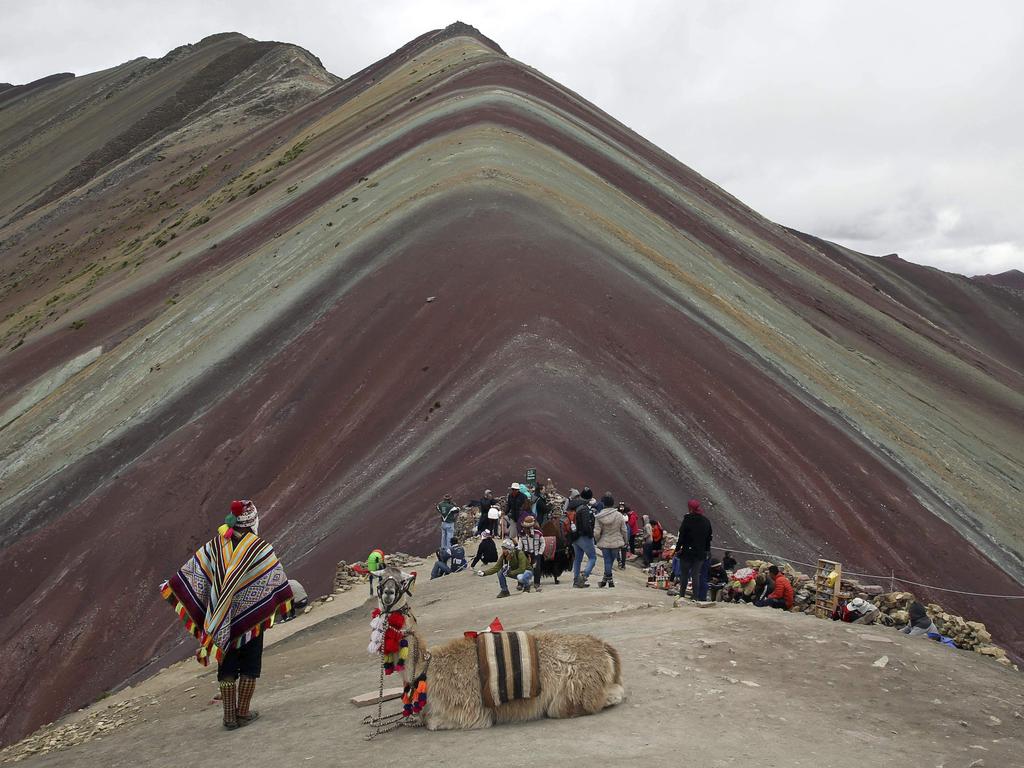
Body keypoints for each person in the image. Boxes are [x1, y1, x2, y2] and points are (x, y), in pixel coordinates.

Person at [160, 499, 293, 729]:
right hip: (252, 620)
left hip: (223, 621)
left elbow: (196, 571)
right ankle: (243, 712)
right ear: (252, 522)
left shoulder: (215, 546)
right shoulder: (261, 549)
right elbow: (275, 578)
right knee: (251, 665)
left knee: (227, 666)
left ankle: (229, 717)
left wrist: (173, 585)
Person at [676, 499, 712, 600]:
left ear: (690, 507)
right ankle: (695, 597)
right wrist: (706, 551)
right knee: (695, 575)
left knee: (684, 574)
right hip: (700, 553)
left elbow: (681, 536)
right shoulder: (706, 521)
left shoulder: (687, 519)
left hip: (687, 552)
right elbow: (708, 538)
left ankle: (682, 595)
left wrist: (678, 548)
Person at [594, 496, 629, 588]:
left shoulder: (599, 516)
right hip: (616, 542)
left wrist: (598, 540)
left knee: (607, 562)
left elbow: (596, 532)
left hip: (604, 542)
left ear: (604, 504)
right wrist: (626, 541)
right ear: (613, 504)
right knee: (610, 562)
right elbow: (624, 530)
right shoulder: (619, 515)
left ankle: (607, 580)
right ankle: (609, 581)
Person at [570, 497, 598, 588]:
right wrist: (590, 535)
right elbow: (586, 526)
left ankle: (576, 581)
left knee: (577, 559)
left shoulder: (572, 508)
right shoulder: (584, 509)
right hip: (584, 537)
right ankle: (584, 577)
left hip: (574, 537)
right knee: (592, 558)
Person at [518, 515, 546, 592]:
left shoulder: (538, 533)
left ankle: (537, 583)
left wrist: (540, 553)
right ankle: (521, 583)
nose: (525, 529)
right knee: (523, 569)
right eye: (525, 527)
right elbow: (520, 545)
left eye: (528, 527)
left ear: (532, 527)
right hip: (525, 554)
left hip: (536, 554)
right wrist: (519, 553)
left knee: (537, 569)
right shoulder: (521, 534)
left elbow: (543, 543)